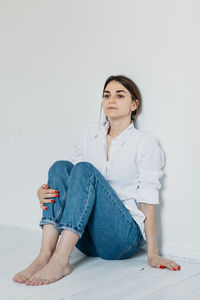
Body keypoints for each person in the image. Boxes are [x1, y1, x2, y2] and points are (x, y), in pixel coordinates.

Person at [13, 74, 181, 286]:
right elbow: (71, 184)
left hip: (122, 238)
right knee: (60, 167)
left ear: (134, 104)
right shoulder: (88, 133)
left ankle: (60, 260)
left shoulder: (144, 142)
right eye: (106, 95)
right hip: (87, 239)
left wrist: (153, 253)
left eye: (119, 95)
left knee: (83, 169)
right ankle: (45, 254)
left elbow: (148, 198)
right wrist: (43, 193)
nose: (111, 100)